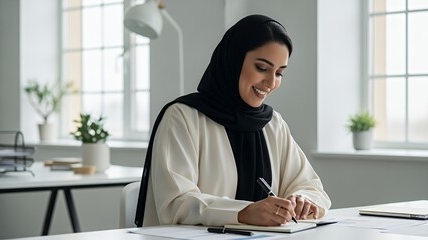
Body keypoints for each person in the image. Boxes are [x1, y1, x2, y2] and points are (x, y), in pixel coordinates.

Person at [135, 14, 331, 227]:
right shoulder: (183, 117)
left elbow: (311, 187)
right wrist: (243, 213)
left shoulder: (273, 124)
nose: (271, 82)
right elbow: (176, 203)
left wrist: (303, 200)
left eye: (279, 73)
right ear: (234, 60)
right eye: (262, 68)